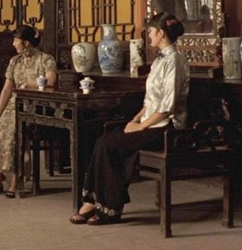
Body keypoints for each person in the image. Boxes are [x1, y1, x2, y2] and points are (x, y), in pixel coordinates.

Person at [70, 12, 189, 225]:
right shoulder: (159, 60)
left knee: (109, 145)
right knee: (103, 140)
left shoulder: (176, 61)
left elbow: (167, 107)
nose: (148, 35)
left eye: (151, 31)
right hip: (152, 123)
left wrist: (140, 127)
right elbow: (151, 101)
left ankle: (109, 209)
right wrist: (135, 120)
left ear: (161, 33)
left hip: (168, 128)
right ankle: (93, 201)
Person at [0, 25, 58, 198]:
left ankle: (15, 180)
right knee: (1, 130)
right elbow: (6, 90)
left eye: (15, 40)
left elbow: (50, 82)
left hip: (36, 104)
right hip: (14, 105)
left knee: (13, 132)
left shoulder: (46, 59)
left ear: (26, 43)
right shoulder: (15, 61)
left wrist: (29, 85)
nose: (13, 44)